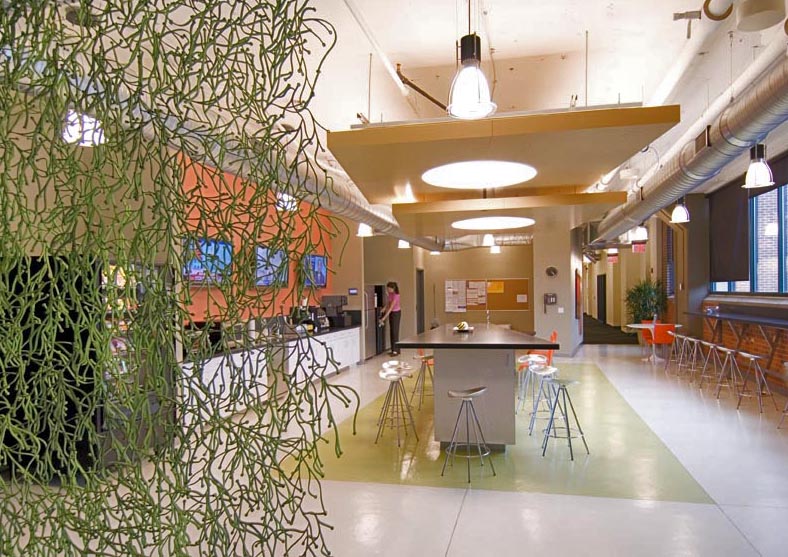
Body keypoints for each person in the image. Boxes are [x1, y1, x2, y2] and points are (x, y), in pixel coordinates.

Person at [379, 281, 401, 356]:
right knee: (392, 331)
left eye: (389, 288)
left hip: (396, 313)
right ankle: (393, 349)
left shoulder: (396, 295)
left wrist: (384, 318)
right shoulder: (390, 294)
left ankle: (396, 351)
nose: (387, 290)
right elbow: (389, 302)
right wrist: (384, 308)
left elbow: (391, 307)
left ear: (393, 288)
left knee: (395, 332)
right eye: (387, 288)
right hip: (392, 313)